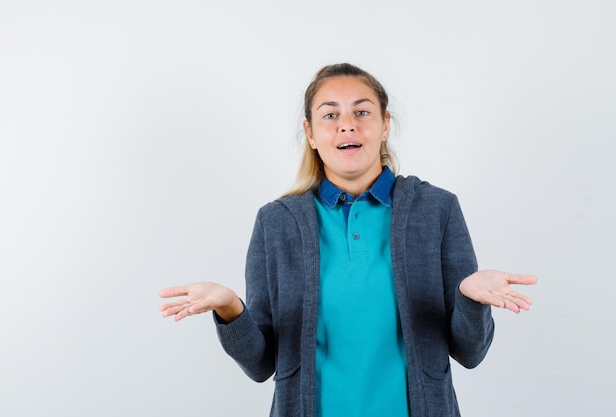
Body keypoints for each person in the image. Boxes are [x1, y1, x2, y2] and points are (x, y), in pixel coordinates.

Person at [159, 63, 537, 417]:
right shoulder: (276, 222)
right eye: (330, 115)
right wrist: (230, 309)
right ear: (310, 133)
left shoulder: (437, 209)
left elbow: (470, 352)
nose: (347, 126)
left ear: (385, 124)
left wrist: (470, 299)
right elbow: (261, 364)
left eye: (361, 112)